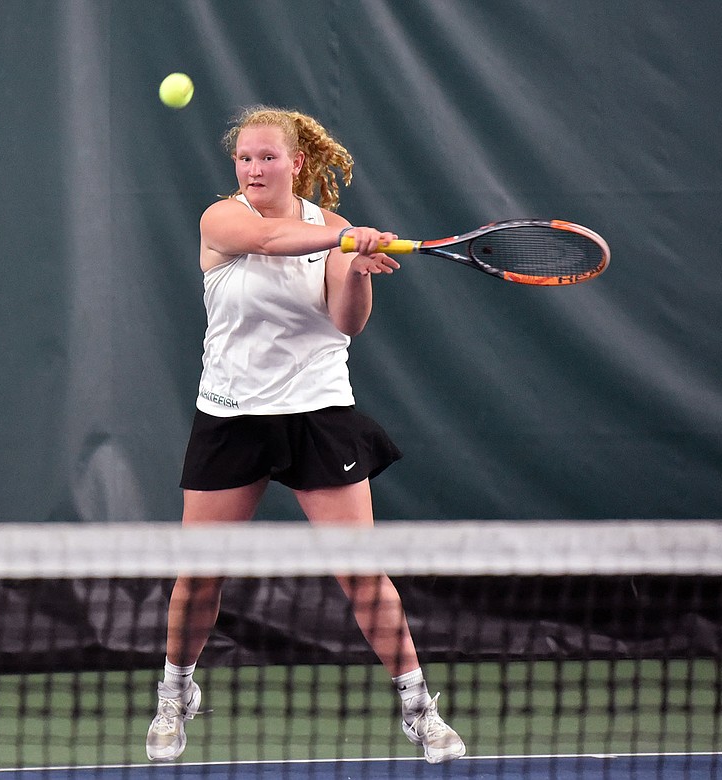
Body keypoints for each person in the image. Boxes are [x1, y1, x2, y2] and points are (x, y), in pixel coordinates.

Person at [145, 106, 466, 765]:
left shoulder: (336, 229)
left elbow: (345, 323)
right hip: (231, 413)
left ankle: (419, 710)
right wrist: (345, 244)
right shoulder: (221, 220)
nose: (253, 168)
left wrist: (353, 261)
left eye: (267, 157)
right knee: (200, 577)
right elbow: (268, 243)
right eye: (244, 157)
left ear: (297, 163)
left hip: (318, 411)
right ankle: (175, 692)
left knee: (361, 575)